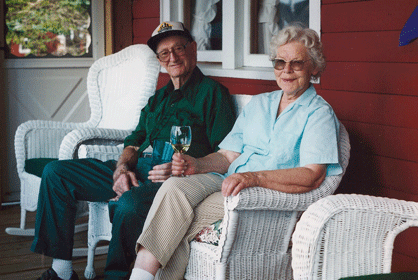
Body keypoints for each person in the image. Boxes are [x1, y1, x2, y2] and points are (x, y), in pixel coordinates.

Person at [128, 24, 343, 280]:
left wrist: (254, 178)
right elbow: (228, 155)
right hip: (228, 181)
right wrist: (197, 164)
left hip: (260, 194)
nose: (286, 71)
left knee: (179, 222)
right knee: (174, 187)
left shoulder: (318, 114)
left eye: (297, 63)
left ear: (314, 67)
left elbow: (313, 175)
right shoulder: (261, 103)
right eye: (280, 62)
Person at [32, 21, 236, 280]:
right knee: (56, 172)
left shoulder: (213, 94)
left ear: (193, 49)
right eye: (164, 53)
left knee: (130, 203)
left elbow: (224, 154)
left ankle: (116, 275)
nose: (172, 57)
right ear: (160, 60)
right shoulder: (157, 98)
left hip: (174, 180)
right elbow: (133, 142)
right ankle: (61, 271)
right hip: (139, 168)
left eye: (179, 49)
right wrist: (122, 169)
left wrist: (185, 167)